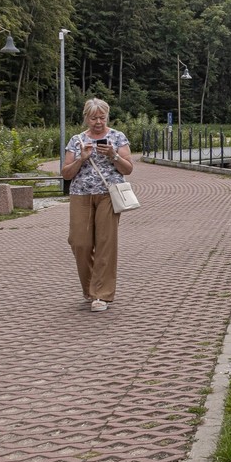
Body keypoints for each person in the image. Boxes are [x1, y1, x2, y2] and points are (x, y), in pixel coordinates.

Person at [62, 98, 134, 313]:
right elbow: (66, 173)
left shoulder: (118, 137)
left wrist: (113, 155)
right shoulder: (77, 140)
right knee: (79, 242)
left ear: (107, 117)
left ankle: (101, 295)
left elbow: (128, 169)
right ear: (86, 118)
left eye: (102, 117)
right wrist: (81, 158)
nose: (98, 122)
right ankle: (90, 288)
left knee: (105, 243)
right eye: (94, 118)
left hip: (108, 195)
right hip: (80, 195)